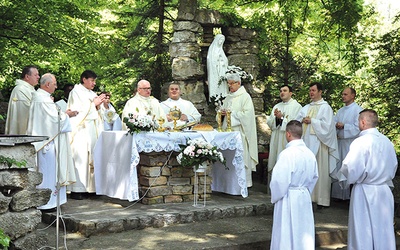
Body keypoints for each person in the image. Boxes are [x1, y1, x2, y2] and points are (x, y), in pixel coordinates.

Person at [340, 109, 397, 249]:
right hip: (384, 190)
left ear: (363, 122)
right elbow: (394, 164)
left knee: (362, 228)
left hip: (364, 190)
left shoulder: (361, 142)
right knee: (383, 228)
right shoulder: (387, 142)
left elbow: (351, 167)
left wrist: (346, 179)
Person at [27, 73, 78, 210]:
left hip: (47, 141)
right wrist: (67, 115)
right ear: (48, 84)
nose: (56, 86)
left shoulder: (42, 97)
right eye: (54, 84)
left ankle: (52, 201)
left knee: (51, 172)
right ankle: (47, 203)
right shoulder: (42, 99)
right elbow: (55, 120)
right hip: (47, 144)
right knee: (48, 172)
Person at [270, 120, 318, 250]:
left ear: (288, 134)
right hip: (303, 196)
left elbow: (279, 181)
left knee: (286, 232)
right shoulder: (310, 154)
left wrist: (275, 197)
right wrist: (305, 191)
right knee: (302, 231)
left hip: (288, 196)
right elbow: (314, 177)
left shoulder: (286, 154)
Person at [296, 82, 338, 208]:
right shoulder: (305, 108)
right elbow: (296, 121)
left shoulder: (326, 108)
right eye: (310, 90)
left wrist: (312, 121)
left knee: (319, 170)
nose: (311, 93)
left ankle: (321, 199)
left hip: (320, 144)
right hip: (306, 143)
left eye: (313, 90)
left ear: (320, 92)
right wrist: (302, 120)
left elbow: (328, 126)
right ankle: (307, 196)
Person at [67, 70, 106, 199]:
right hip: (81, 130)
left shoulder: (92, 93)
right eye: (92, 80)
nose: (94, 83)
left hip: (93, 129)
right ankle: (78, 190)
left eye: (95, 81)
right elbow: (77, 111)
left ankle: (92, 189)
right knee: (81, 158)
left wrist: (100, 106)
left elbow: (97, 112)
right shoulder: (76, 92)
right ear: (84, 79)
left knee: (94, 157)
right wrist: (93, 105)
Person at [218, 73, 258, 187]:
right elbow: (221, 115)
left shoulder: (245, 97)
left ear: (238, 83)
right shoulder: (228, 97)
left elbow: (247, 115)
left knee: (240, 159)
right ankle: (228, 186)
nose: (229, 86)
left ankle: (240, 186)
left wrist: (231, 114)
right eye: (228, 84)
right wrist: (222, 114)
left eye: (231, 83)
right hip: (227, 134)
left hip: (240, 133)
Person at [331, 87, 363, 200]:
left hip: (350, 143)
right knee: (338, 166)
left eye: (345, 94)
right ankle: (337, 195)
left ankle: (348, 196)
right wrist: (336, 126)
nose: (343, 96)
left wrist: (344, 126)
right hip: (340, 142)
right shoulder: (340, 110)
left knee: (348, 167)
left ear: (353, 95)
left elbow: (358, 127)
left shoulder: (358, 110)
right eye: (342, 94)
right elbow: (333, 122)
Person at [266, 84, 302, 174]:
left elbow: (296, 125)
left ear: (291, 93)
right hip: (277, 138)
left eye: (285, 91)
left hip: (289, 139)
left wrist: (282, 118)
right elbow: (270, 123)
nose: (282, 93)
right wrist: (277, 119)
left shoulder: (297, 107)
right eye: (281, 91)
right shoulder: (277, 106)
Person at [5, 65, 40, 135]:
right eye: (36, 75)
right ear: (27, 77)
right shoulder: (20, 90)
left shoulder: (30, 89)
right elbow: (24, 112)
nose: (38, 77)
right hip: (22, 131)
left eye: (38, 75)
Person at [207, 34, 229, 101]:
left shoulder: (221, 50)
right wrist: (217, 61)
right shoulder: (212, 50)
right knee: (216, 84)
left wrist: (223, 61)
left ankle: (223, 98)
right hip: (215, 71)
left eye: (222, 41)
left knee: (222, 85)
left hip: (222, 70)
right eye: (220, 40)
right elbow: (210, 61)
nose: (221, 42)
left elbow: (225, 60)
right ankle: (215, 99)